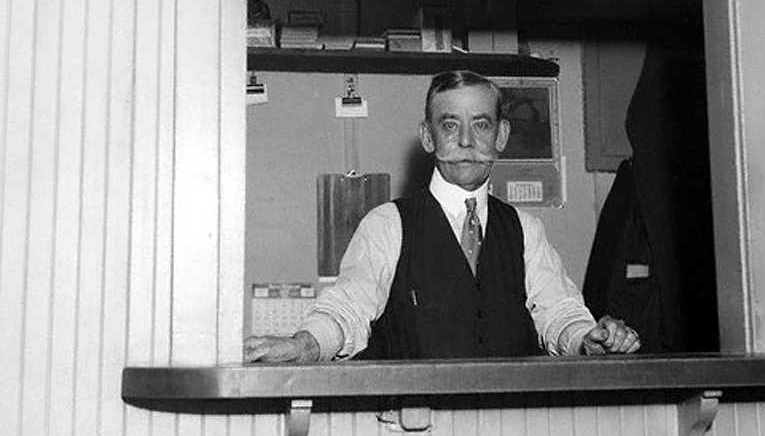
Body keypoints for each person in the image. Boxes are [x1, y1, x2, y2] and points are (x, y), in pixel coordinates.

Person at [245, 70, 640, 363]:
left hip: (510, 428)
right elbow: (347, 309)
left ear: (500, 136)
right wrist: (304, 345)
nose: (466, 141)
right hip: (415, 432)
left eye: (480, 124)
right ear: (428, 136)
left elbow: (558, 312)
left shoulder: (525, 230)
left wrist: (590, 338)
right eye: (450, 125)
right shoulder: (387, 225)